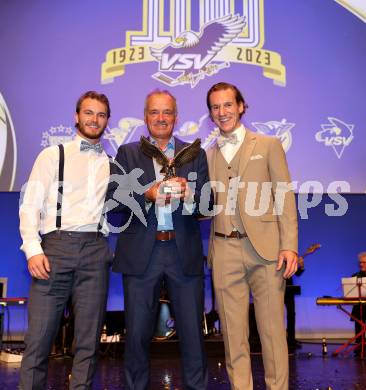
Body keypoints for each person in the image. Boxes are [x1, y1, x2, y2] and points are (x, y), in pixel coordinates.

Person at [108, 89, 211, 390]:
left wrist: (190, 194)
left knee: (193, 335)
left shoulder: (195, 153)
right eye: (155, 112)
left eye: (167, 112)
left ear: (176, 118)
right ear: (145, 117)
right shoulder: (127, 153)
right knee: (137, 336)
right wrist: (148, 195)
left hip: (183, 252)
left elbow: (208, 203)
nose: (161, 118)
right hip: (142, 253)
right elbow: (114, 200)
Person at [205, 82, 298, 390]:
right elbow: (205, 205)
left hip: (267, 251)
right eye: (216, 107)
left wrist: (290, 246)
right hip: (224, 249)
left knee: (272, 333)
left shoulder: (268, 144)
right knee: (233, 336)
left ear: (241, 106)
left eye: (228, 105)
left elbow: (284, 197)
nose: (222, 112)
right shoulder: (206, 155)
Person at [19, 91, 112, 389]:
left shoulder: (112, 163)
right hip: (54, 250)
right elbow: (29, 205)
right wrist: (33, 250)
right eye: (88, 112)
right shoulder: (52, 155)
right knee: (38, 341)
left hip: (96, 251)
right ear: (76, 116)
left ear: (107, 121)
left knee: (88, 343)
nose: (94, 119)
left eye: (100, 114)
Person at [351, 252, 366, 356]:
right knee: (358, 322)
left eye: (364, 262)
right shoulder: (355, 276)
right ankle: (359, 346)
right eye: (360, 262)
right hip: (359, 307)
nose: (361, 264)